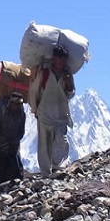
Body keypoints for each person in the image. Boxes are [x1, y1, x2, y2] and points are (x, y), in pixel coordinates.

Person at [32, 44, 75, 177]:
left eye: (63, 59)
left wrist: (68, 85)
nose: (61, 62)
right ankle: (45, 174)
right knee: (44, 146)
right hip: (45, 113)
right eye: (59, 59)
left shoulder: (67, 74)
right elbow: (35, 91)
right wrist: (35, 109)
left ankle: (57, 167)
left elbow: (71, 93)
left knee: (61, 141)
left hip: (61, 114)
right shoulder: (44, 73)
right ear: (54, 59)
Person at [0, 92, 26, 187]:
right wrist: (4, 143)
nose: (17, 106)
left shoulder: (22, 115)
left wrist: (13, 143)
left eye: (19, 104)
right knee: (0, 174)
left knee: (17, 171)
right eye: (15, 103)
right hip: (0, 146)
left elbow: (21, 132)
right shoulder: (1, 112)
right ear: (11, 103)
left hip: (13, 147)